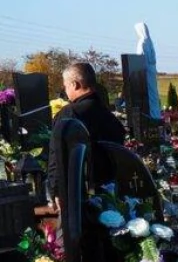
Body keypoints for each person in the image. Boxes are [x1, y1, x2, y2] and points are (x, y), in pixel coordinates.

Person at [46, 62, 125, 209]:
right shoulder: (108, 115)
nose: (66, 90)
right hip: (110, 190)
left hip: (79, 193)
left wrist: (56, 190)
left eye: (66, 86)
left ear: (75, 84)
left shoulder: (70, 113)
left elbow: (57, 154)